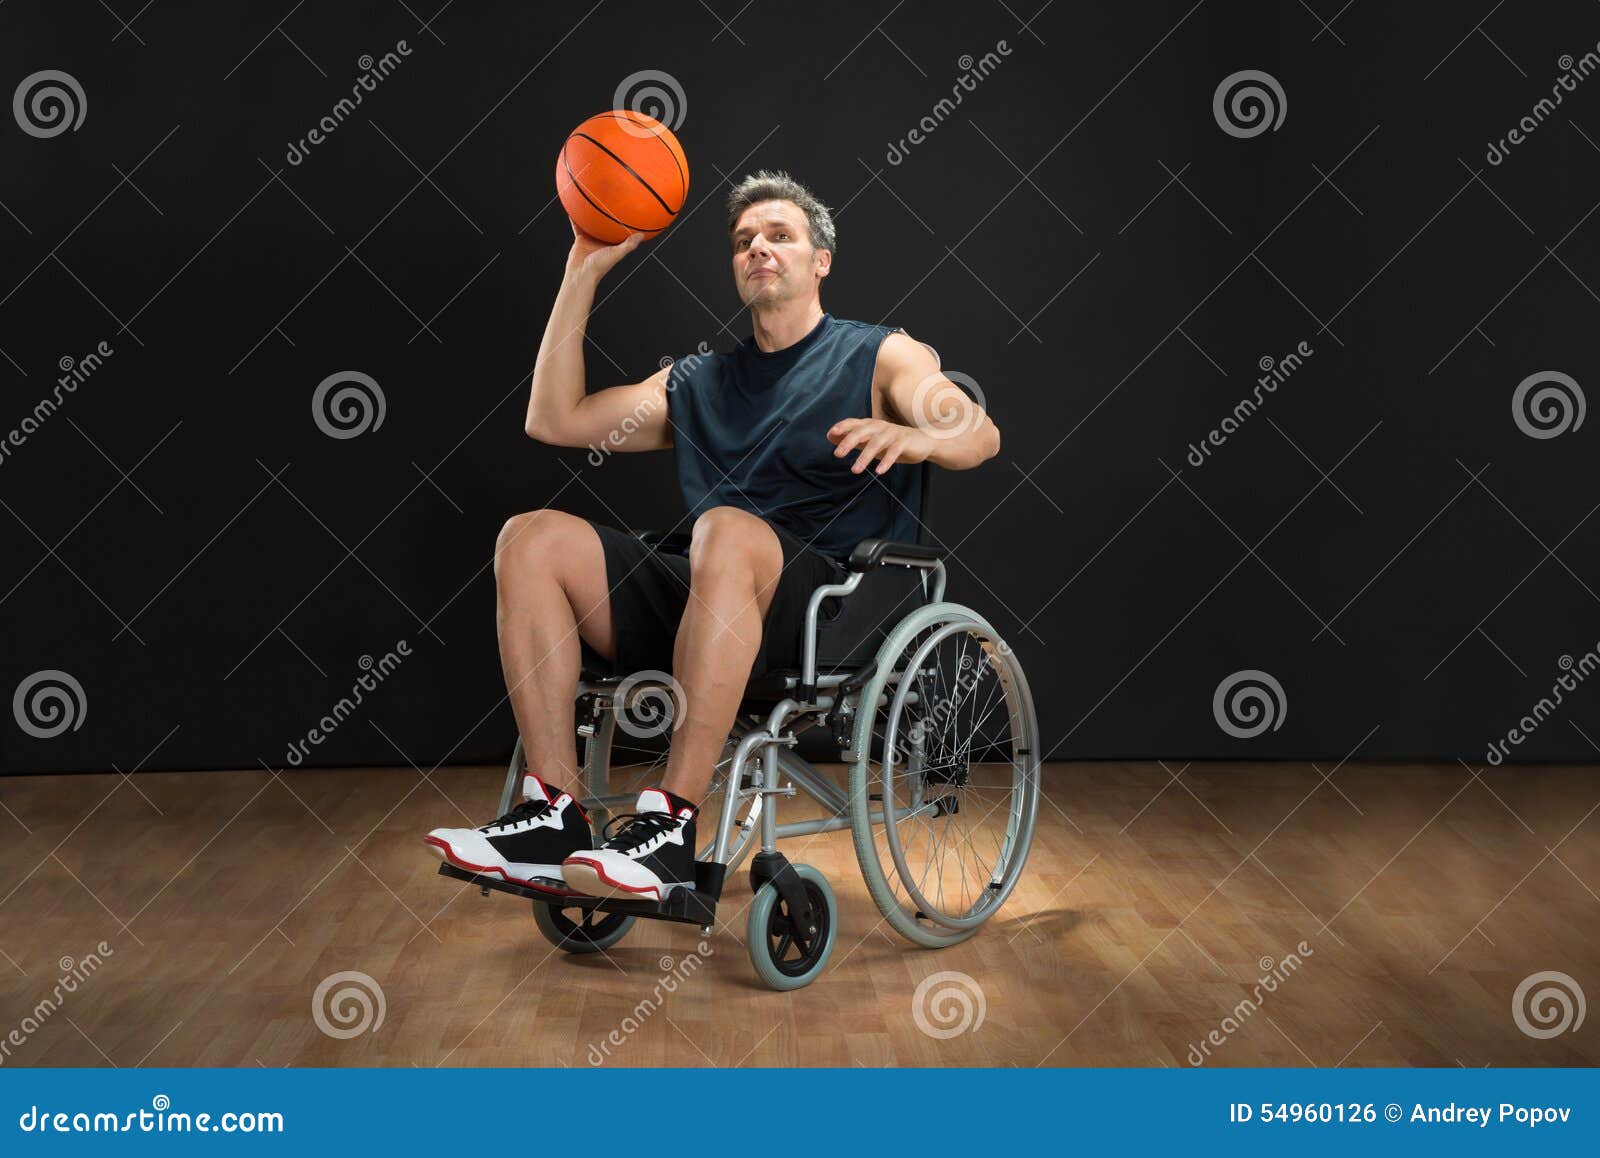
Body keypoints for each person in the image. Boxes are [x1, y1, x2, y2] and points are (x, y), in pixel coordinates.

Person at [422, 170, 1001, 902]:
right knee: (528, 538)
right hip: (708, 593)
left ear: (820, 260)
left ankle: (668, 826)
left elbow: (978, 434)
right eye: (743, 241)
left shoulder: (879, 356)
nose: (758, 247)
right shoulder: (699, 381)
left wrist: (914, 436)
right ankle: (551, 814)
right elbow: (554, 418)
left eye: (779, 235)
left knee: (726, 529)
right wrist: (581, 269)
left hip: (829, 605)